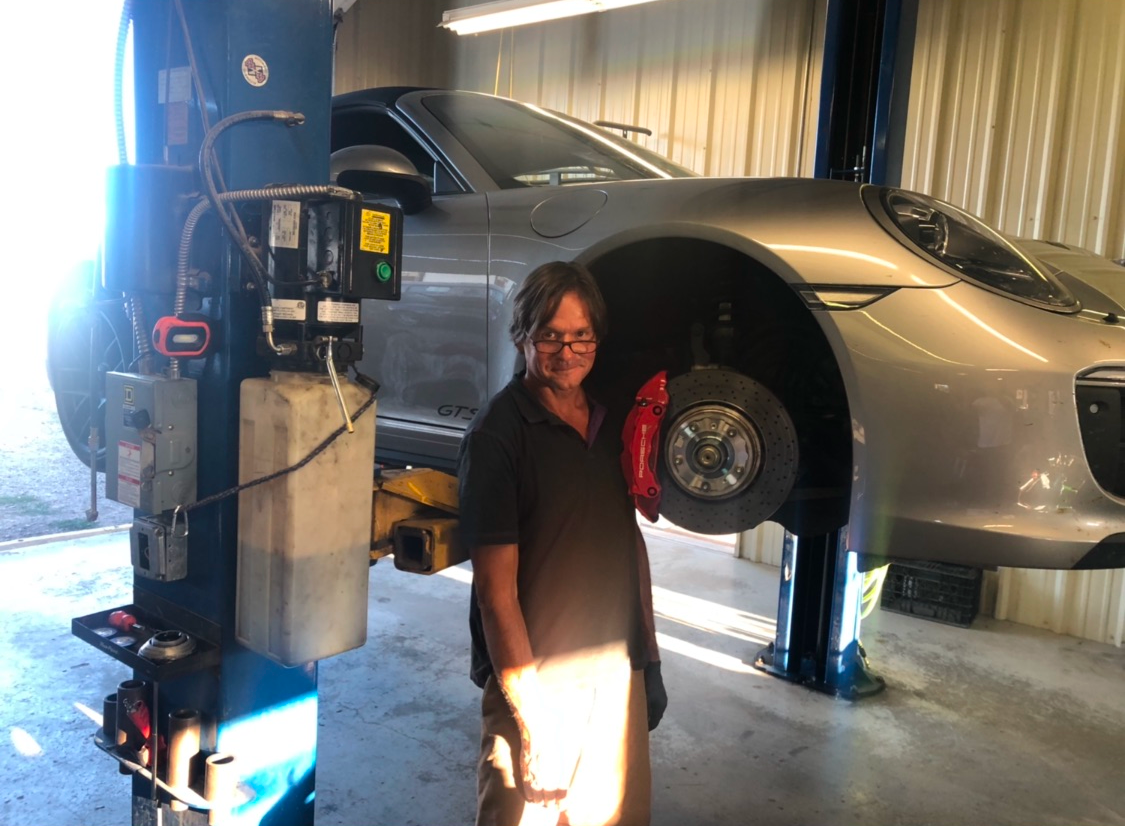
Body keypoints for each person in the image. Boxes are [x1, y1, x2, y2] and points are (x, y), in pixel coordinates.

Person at [457, 261, 667, 826]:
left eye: (581, 336)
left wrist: (648, 658)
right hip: (535, 688)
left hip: (616, 679)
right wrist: (534, 728)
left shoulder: (610, 420)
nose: (567, 351)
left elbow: (627, 545)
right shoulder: (497, 437)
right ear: (522, 336)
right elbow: (496, 597)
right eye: (550, 335)